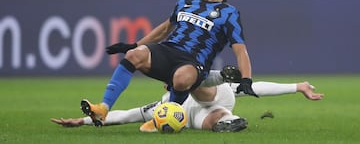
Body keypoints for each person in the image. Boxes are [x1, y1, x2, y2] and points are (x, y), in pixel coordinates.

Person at [81, 0, 257, 127]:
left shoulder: (229, 13)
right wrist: (133, 45)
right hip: (168, 49)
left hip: (194, 62)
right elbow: (165, 29)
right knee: (134, 55)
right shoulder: (186, 2)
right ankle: (102, 109)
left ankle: (163, 119)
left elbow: (240, 50)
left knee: (181, 79)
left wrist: (247, 79)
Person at [52, 73, 324, 132]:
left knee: (204, 91)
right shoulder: (162, 107)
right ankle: (228, 123)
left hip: (215, 94)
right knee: (211, 121)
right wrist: (83, 121)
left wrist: (296, 87)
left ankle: (201, 79)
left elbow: (255, 88)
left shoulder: (167, 100)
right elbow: (124, 116)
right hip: (198, 115)